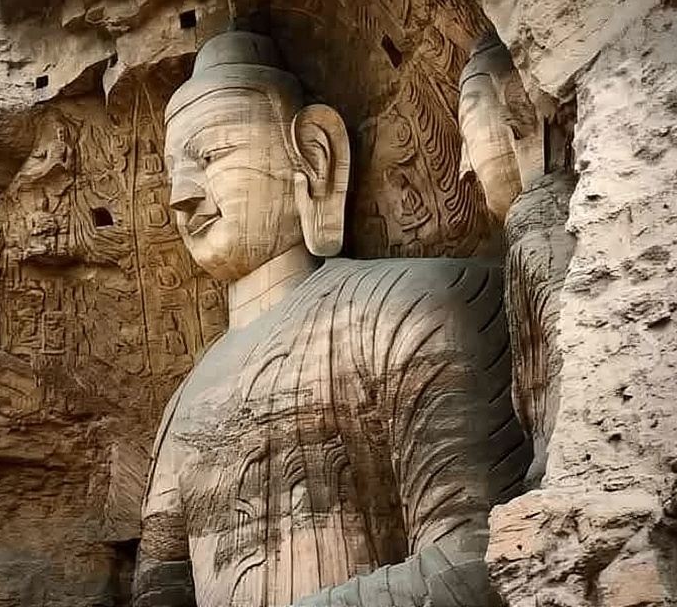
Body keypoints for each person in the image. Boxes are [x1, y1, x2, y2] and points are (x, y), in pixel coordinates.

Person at [135, 31, 528, 607]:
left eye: (212, 156)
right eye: (173, 173)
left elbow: (481, 559)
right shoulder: (184, 400)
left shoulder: (414, 306)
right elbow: (159, 594)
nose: (181, 196)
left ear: (314, 157)